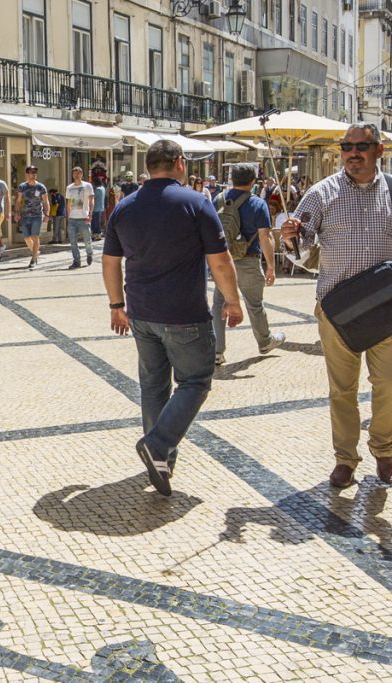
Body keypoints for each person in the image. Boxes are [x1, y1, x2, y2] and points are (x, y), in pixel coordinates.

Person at [280, 123, 392, 489]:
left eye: (361, 145)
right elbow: (302, 248)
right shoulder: (321, 193)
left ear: (379, 150)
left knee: (389, 383)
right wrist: (290, 236)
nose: (353, 152)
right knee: (342, 389)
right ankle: (345, 460)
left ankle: (383, 451)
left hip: (386, 305)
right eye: (347, 146)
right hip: (338, 306)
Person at [102, 140, 244, 497]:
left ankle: (161, 458)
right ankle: (159, 444)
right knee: (196, 381)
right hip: (184, 314)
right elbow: (221, 260)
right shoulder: (197, 203)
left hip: (141, 313)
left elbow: (109, 261)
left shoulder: (124, 206)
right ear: (179, 163)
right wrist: (232, 301)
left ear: (149, 166)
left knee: (153, 386)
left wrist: (116, 305)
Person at [210, 163, 286, 365]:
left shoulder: (218, 199)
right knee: (255, 304)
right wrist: (271, 265)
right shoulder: (258, 203)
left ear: (231, 179)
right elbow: (264, 235)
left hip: (223, 261)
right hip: (248, 260)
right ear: (253, 182)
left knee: (219, 305)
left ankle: (217, 351)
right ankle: (265, 341)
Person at [14, 165, 50, 269]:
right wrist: (16, 212)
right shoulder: (22, 186)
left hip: (37, 215)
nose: (33, 174)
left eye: (34, 172)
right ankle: (36, 252)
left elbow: (45, 201)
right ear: (26, 174)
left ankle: (33, 259)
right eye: (31, 172)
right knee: (26, 237)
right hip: (25, 215)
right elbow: (18, 200)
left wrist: (47, 213)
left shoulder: (40, 187)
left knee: (35, 236)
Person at [66, 166, 94, 269]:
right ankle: (76, 261)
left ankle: (89, 253)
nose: (76, 175)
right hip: (73, 219)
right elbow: (68, 202)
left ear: (82, 174)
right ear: (72, 175)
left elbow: (91, 200)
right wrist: (68, 216)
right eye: (74, 173)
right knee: (73, 242)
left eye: (78, 173)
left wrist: (90, 214)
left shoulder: (88, 186)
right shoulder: (69, 188)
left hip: (84, 218)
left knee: (87, 240)